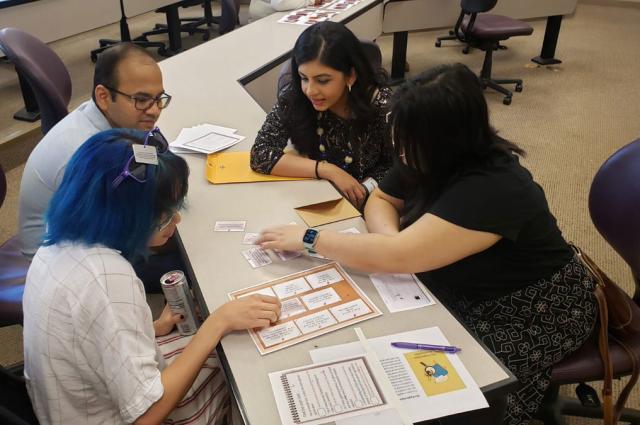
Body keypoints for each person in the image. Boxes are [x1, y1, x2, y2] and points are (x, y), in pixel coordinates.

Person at [258, 64, 598, 425]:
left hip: (532, 311)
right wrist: (395, 246)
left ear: (445, 138)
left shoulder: (493, 187)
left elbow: (400, 255)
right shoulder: (429, 154)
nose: (400, 152)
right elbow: (382, 201)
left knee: (456, 401)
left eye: (408, 140)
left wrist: (313, 239)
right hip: (465, 286)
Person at [22, 128, 281, 425]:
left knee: (199, 341)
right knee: (235, 366)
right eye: (167, 211)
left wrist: (153, 327)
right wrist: (218, 322)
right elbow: (147, 414)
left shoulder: (55, 244)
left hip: (69, 406)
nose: (177, 218)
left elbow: (87, 335)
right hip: (119, 415)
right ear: (129, 214)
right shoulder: (107, 277)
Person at [19, 42, 169, 258]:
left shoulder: (108, 120)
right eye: (141, 99)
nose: (154, 110)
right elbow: (117, 234)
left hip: (85, 229)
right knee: (186, 254)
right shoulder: (87, 154)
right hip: (58, 260)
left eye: (159, 98)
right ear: (104, 97)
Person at [250, 22, 393, 209]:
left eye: (323, 80)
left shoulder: (381, 105)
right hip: (315, 193)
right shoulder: (295, 96)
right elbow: (261, 153)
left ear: (351, 75)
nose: (310, 90)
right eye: (303, 78)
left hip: (371, 200)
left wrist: (363, 189)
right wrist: (327, 170)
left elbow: (397, 167)